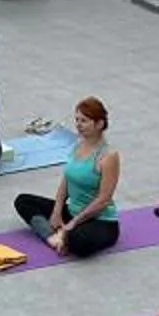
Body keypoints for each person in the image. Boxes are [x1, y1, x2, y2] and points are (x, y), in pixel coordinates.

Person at [14, 96, 121, 258]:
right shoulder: (78, 145)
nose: (78, 125)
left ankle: (66, 237)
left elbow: (103, 200)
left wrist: (73, 223)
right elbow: (66, 181)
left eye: (84, 121)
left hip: (100, 220)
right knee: (23, 201)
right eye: (77, 120)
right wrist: (57, 212)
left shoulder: (108, 156)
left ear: (99, 124)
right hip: (71, 211)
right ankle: (54, 238)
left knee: (79, 242)